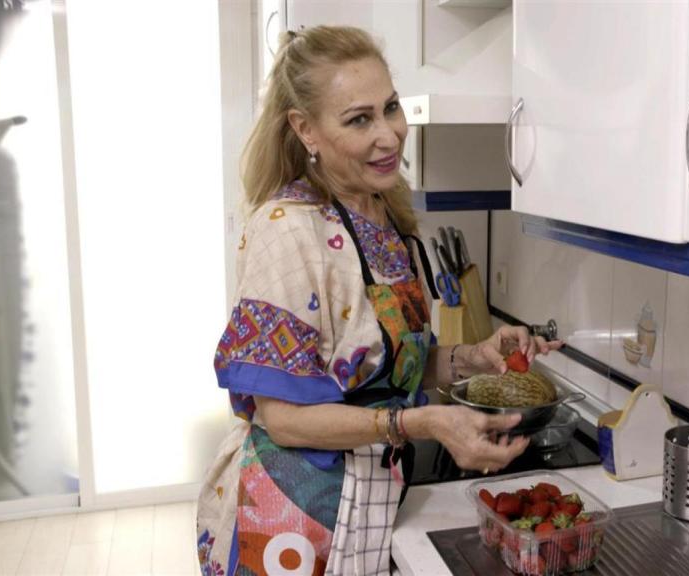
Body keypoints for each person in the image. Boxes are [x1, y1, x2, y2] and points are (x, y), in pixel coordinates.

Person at [195, 26, 561, 576]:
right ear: (305, 130)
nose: (389, 135)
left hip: (373, 500)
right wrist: (422, 424)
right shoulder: (286, 231)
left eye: (390, 108)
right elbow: (285, 418)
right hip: (295, 519)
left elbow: (389, 371)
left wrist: (471, 357)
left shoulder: (387, 218)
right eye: (359, 119)